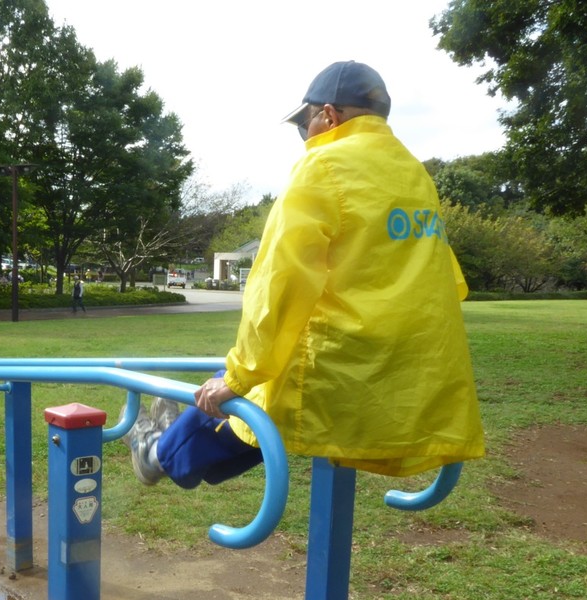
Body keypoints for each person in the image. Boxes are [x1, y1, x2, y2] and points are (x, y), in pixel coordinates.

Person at [122, 60, 484, 488]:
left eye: (304, 125)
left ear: (328, 116)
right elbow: (447, 280)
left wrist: (239, 377)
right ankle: (175, 442)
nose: (305, 139)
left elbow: (281, 283)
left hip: (338, 370)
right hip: (405, 383)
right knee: (255, 406)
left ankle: (156, 452)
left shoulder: (323, 166)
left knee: (245, 393)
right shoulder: (415, 175)